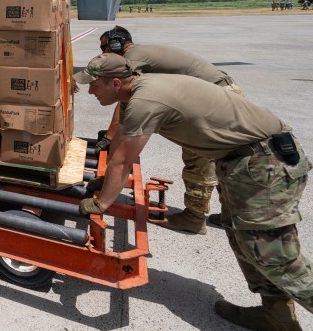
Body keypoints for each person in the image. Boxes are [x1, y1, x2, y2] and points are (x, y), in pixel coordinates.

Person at [77, 53, 313, 331]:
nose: (89, 91)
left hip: (264, 162)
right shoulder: (135, 92)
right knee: (244, 239)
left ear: (115, 83)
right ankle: (277, 317)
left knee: (277, 257)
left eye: (94, 85)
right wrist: (106, 181)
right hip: (243, 163)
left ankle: (279, 313)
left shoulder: (146, 101)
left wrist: (101, 202)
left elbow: (123, 161)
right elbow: (120, 142)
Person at [96, 26, 242, 234]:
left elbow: (123, 109)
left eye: (104, 47)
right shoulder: (139, 56)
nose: (103, 53)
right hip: (222, 93)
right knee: (224, 157)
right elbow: (126, 113)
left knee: (197, 156)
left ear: (117, 44)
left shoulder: (131, 60)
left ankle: (194, 218)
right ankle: (230, 216)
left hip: (212, 100)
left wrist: (112, 149)